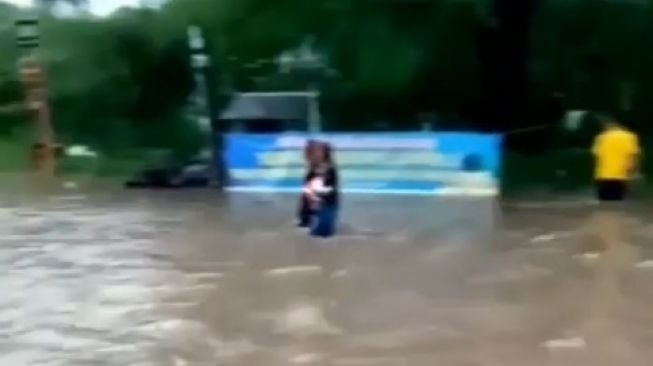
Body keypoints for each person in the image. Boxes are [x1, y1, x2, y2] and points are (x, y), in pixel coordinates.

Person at [591, 119, 641, 202]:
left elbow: (597, 155)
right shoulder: (630, 137)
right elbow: (633, 156)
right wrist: (635, 172)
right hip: (621, 176)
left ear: (607, 127)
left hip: (603, 176)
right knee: (618, 203)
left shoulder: (601, 137)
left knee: (603, 204)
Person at [304, 142, 340, 238]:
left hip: (326, 207)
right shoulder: (313, 170)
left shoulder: (329, 169)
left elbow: (331, 190)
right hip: (317, 207)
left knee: (320, 235)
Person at [297, 140, 319, 228]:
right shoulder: (312, 156)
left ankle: (307, 219)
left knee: (308, 200)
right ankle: (307, 218)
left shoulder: (314, 156)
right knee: (308, 200)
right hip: (312, 177)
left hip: (313, 178)